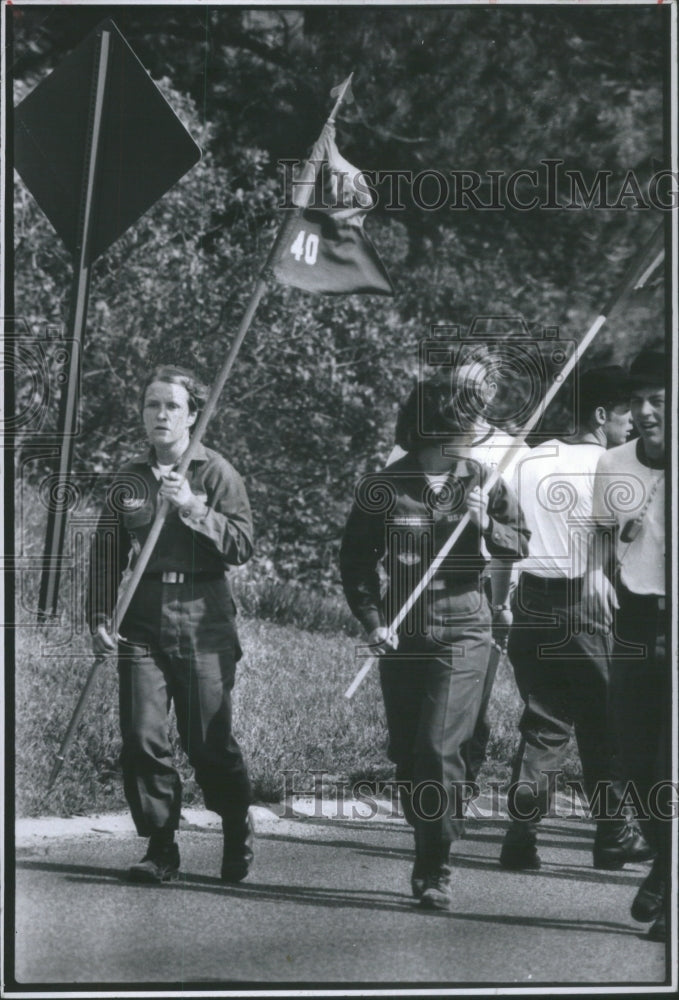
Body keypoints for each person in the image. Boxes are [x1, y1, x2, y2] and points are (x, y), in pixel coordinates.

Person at [340, 372, 529, 910]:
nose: (477, 427)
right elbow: (356, 561)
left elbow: (521, 542)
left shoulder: (485, 480)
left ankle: (434, 867)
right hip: (402, 624)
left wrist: (487, 525)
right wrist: (372, 619)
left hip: (466, 621)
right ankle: (435, 830)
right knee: (406, 753)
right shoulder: (385, 485)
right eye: (466, 419)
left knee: (436, 745)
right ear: (434, 426)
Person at [87, 364, 255, 884]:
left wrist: (192, 507)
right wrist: (97, 616)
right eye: (151, 405)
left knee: (208, 742)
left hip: (203, 616)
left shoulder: (215, 472)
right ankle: (161, 847)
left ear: (193, 415)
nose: (160, 414)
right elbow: (107, 553)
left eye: (172, 406)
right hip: (141, 618)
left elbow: (242, 545)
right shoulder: (130, 478)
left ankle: (235, 822)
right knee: (142, 738)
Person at [499, 365, 654, 872]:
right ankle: (611, 836)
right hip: (587, 609)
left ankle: (520, 832)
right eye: (627, 411)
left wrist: (502, 603)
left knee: (545, 726)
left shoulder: (527, 459)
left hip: (530, 605)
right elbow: (620, 542)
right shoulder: (612, 466)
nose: (634, 422)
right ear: (601, 414)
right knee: (606, 727)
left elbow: (505, 541)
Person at [385, 345, 527, 786]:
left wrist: (505, 600)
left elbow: (517, 530)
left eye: (480, 385)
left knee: (471, 713)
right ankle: (442, 802)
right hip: (419, 595)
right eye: (462, 384)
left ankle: (456, 796)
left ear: (492, 388)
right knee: (440, 720)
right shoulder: (416, 444)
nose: (472, 394)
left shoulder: (511, 445)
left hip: (487, 593)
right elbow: (396, 513)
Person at [586, 349, 668, 942]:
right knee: (638, 766)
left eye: (658, 400)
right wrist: (595, 573)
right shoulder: (612, 464)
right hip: (636, 624)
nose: (642, 412)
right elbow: (600, 537)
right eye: (636, 401)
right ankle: (666, 859)